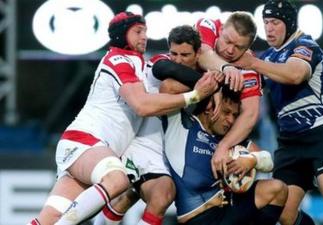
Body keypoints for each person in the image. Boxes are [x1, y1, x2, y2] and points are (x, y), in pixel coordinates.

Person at [28, 12, 218, 225]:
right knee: (117, 180)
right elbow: (142, 106)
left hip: (92, 149)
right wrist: (196, 95)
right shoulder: (119, 59)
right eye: (138, 31)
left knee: (48, 219)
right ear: (121, 34)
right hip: (86, 141)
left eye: (145, 31)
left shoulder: (135, 62)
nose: (144, 36)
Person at [234, 1, 323, 225]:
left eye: (275, 22)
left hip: (321, 132)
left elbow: (295, 74)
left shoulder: (305, 46)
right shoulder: (267, 58)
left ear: (290, 23)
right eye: (265, 23)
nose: (269, 28)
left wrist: (253, 63)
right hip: (290, 141)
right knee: (285, 213)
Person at [93, 25, 212, 225]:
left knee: (133, 193)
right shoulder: (162, 64)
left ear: (198, 53)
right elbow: (166, 72)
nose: (178, 59)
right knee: (162, 194)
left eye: (185, 54)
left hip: (167, 144)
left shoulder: (199, 73)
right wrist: (212, 86)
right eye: (173, 53)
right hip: (144, 139)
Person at [163, 84, 287, 225]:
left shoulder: (229, 139)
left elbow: (268, 161)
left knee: (277, 189)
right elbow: (168, 85)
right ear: (210, 106)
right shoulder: (182, 125)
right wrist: (209, 86)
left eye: (234, 115)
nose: (231, 120)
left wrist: (250, 160)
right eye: (226, 112)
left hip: (227, 210)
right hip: (197, 218)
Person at [194, 11, 264, 180]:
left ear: (247, 49)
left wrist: (224, 146)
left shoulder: (248, 66)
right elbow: (203, 55)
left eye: (239, 47)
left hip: (212, 127)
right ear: (221, 29)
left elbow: (250, 113)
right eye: (227, 41)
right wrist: (226, 68)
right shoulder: (208, 25)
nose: (231, 50)